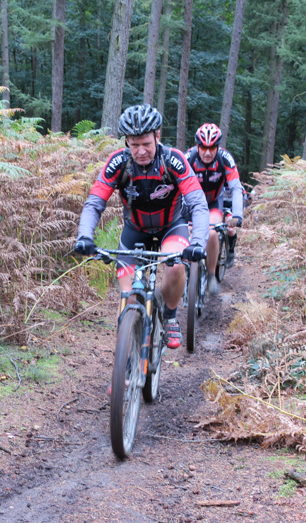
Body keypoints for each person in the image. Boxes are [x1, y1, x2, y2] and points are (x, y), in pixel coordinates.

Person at [72, 104, 209, 349]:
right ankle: (127, 361)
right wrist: (84, 236)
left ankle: (169, 315)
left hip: (171, 226)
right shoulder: (118, 162)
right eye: (134, 144)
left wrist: (198, 241)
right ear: (126, 141)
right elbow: (95, 202)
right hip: (135, 231)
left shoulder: (173, 160)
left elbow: (198, 203)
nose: (141, 151)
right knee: (129, 299)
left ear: (157, 136)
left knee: (176, 266)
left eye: (146, 143)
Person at [185, 123, 244, 295]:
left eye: (212, 148)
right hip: (192, 203)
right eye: (203, 147)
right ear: (197, 146)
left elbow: (236, 187)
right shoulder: (188, 157)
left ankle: (211, 274)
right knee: (186, 233)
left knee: (211, 232)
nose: (207, 152)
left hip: (213, 203)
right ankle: (187, 271)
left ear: (218, 147)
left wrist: (237, 214)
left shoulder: (225, 158)